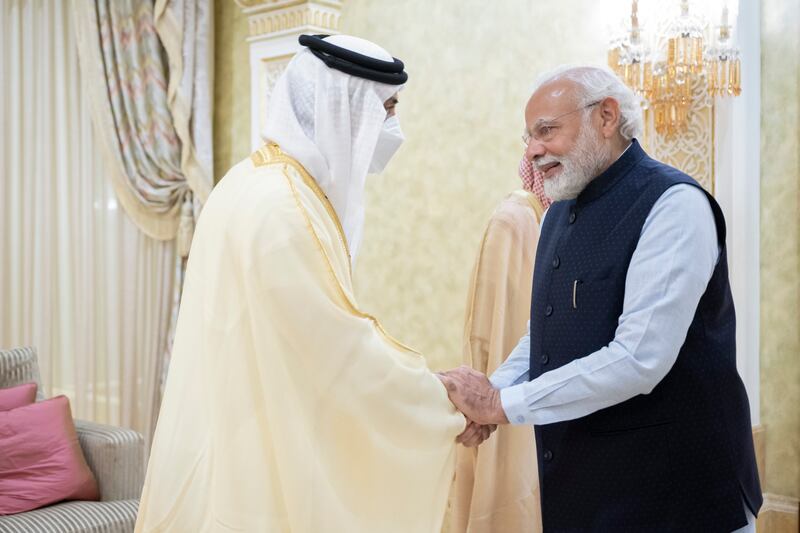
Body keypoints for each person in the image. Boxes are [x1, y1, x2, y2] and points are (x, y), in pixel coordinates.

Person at [135, 34, 465, 533]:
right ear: (345, 109)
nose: (395, 129)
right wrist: (438, 397)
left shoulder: (250, 180)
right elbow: (337, 352)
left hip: (234, 433)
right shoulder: (284, 208)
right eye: (387, 110)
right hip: (260, 457)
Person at [438, 66, 762, 532]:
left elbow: (638, 359)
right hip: (586, 495)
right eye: (529, 136)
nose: (532, 150)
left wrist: (499, 405)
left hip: (680, 499)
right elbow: (546, 334)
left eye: (546, 131)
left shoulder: (674, 205)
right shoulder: (557, 216)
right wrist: (494, 391)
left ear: (606, 117)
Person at [451, 159, 550, 533]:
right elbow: (495, 332)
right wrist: (492, 397)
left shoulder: (552, 221)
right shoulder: (513, 220)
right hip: (509, 397)